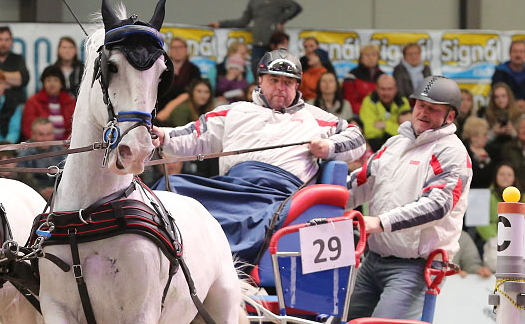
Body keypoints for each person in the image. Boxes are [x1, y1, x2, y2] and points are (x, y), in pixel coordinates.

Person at [151, 49, 367, 263]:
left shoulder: (316, 117)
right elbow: (192, 134)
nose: (280, 87)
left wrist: (328, 147)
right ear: (261, 80)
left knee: (261, 220)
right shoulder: (235, 111)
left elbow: (357, 139)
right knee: (170, 191)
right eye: (274, 80)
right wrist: (163, 136)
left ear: (297, 86)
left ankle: (221, 265)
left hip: (279, 196)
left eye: (288, 82)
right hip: (230, 189)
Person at [345, 75, 472, 320]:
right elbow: (359, 182)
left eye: (433, 109)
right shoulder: (394, 143)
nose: (423, 112)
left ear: (450, 116)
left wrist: (380, 222)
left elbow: (437, 205)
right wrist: (321, 202)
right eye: (420, 105)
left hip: (416, 267)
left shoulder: (452, 152)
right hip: (373, 260)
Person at [208, 0, 303, 76]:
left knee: (277, 72)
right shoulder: (254, 1)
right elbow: (243, 21)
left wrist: (281, 20)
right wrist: (221, 24)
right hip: (258, 43)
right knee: (256, 71)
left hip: (275, 44)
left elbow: (296, 8)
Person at [21, 66, 75, 142]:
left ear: (61, 84)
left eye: (56, 80)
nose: (52, 84)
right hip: (40, 147)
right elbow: (28, 129)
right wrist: (44, 146)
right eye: (48, 80)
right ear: (43, 83)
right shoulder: (33, 102)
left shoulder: (71, 102)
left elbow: (74, 130)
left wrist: (63, 146)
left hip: (65, 148)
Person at [491, 40, 525, 116]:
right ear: (510, 54)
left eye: (521, 52)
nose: (518, 55)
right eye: (515, 51)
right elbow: (496, 95)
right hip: (505, 114)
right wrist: (514, 104)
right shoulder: (500, 73)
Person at [359, 74, 410, 151]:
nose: (386, 93)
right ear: (377, 89)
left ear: (396, 89)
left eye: (389, 89)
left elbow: (406, 131)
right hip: (375, 146)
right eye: (383, 89)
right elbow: (370, 132)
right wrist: (394, 126)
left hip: (398, 146)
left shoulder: (403, 102)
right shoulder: (368, 101)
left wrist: (385, 124)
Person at [15, 117, 60, 199]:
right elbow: (23, 176)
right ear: (33, 134)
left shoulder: (61, 151)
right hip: (31, 194)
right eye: (41, 135)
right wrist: (40, 191)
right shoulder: (23, 152)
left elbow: (65, 174)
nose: (45, 139)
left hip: (58, 194)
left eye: (49, 134)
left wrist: (56, 190)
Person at [156, 37, 202, 111]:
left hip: (185, 107)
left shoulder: (193, 70)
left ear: (186, 49)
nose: (177, 50)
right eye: (174, 47)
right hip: (161, 106)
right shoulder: (162, 68)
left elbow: (194, 91)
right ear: (170, 50)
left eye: (180, 47)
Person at [343, 44, 383, 115]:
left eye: (374, 55)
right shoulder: (351, 76)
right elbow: (350, 102)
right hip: (357, 115)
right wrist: (367, 113)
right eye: (367, 55)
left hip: (380, 115)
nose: (370, 58)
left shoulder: (383, 77)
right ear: (361, 58)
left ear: (378, 58)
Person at [462, 115, 495, 189]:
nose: (487, 137)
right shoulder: (464, 151)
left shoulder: (490, 150)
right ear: (474, 136)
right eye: (484, 135)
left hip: (487, 192)